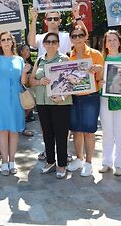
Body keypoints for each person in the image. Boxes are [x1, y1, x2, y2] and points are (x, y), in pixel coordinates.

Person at [29, 32, 72, 179]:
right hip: (42, 102)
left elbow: (72, 82)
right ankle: (50, 161)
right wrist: (39, 82)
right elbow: (31, 79)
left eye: (54, 42)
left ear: (58, 44)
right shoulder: (40, 60)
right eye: (48, 42)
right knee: (47, 134)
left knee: (61, 134)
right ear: (44, 44)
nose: (51, 44)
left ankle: (62, 164)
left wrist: (62, 96)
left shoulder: (64, 58)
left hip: (60, 103)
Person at [0, 28, 29, 176]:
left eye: (8, 39)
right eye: (3, 40)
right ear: (0, 43)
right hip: (1, 98)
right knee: (3, 130)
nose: (6, 42)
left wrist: (24, 73)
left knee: (14, 130)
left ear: (13, 41)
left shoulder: (19, 59)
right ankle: (4, 162)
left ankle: (12, 161)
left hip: (16, 98)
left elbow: (23, 82)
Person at [66, 25, 104, 177]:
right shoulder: (69, 56)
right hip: (74, 97)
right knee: (76, 130)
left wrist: (99, 70)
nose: (77, 38)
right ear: (71, 39)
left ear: (85, 36)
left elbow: (101, 81)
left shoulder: (95, 54)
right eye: (74, 36)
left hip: (90, 97)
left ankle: (89, 162)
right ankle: (79, 159)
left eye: (80, 35)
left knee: (89, 131)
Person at [98, 30, 121, 176]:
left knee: (120, 133)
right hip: (105, 99)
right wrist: (99, 83)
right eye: (109, 40)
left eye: (114, 40)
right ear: (105, 44)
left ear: (119, 42)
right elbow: (97, 80)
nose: (112, 42)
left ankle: (120, 164)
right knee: (107, 132)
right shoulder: (101, 60)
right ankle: (106, 162)